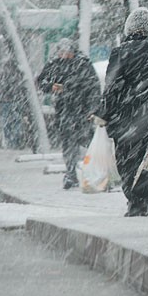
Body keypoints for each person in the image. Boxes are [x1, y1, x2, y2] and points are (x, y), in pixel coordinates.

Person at [94, 7, 148, 217]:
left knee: (126, 160)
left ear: (129, 27)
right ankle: (144, 196)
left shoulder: (120, 52)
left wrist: (104, 112)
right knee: (147, 158)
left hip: (124, 116)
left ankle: (134, 201)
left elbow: (112, 86)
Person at [37, 38, 101, 190]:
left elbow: (93, 87)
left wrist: (92, 109)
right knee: (69, 143)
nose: (64, 55)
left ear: (73, 51)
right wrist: (51, 86)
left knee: (88, 141)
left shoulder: (83, 64)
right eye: (61, 52)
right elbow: (41, 82)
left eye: (67, 52)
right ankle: (71, 174)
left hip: (82, 110)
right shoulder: (54, 64)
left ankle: (96, 172)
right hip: (64, 110)